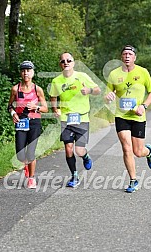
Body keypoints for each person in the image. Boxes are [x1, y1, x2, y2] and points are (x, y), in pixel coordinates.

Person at [104, 45, 151, 193]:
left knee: (138, 151)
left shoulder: (143, 72)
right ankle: (133, 180)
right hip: (121, 116)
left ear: (135, 57)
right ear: (121, 57)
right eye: (124, 54)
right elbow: (107, 95)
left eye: (130, 54)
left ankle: (149, 152)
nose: (127, 56)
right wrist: (108, 97)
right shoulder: (114, 74)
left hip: (138, 116)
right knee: (126, 148)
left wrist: (144, 106)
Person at [49, 52, 101, 187]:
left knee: (79, 150)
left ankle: (85, 156)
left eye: (68, 60)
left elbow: (98, 90)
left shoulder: (82, 76)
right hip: (66, 119)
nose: (65, 63)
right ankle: (74, 176)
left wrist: (89, 90)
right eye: (63, 61)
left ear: (73, 63)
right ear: (60, 64)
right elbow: (53, 97)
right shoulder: (56, 81)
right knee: (68, 148)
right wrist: (55, 109)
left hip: (82, 118)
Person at [8, 60, 48, 189]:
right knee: (20, 155)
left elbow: (45, 108)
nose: (26, 73)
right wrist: (13, 113)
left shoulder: (38, 89)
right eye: (23, 70)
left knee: (30, 153)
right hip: (21, 123)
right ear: (21, 73)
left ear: (33, 72)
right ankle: (26, 165)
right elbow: (9, 106)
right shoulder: (15, 89)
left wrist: (36, 107)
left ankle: (31, 178)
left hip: (34, 122)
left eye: (28, 70)